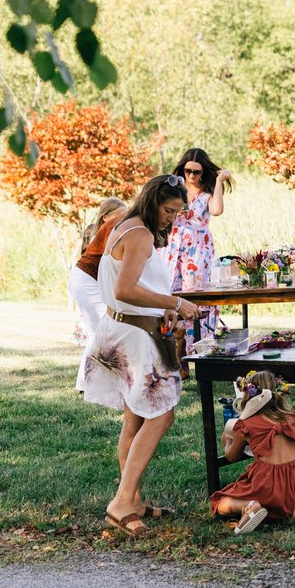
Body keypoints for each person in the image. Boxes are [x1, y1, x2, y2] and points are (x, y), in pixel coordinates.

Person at [78, 174, 201, 537]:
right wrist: (175, 302)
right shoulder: (140, 234)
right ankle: (120, 502)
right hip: (134, 337)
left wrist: (161, 307)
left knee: (134, 419)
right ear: (151, 201)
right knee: (162, 416)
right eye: (168, 210)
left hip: (123, 328)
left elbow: (130, 285)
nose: (171, 218)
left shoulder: (122, 225)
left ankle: (132, 500)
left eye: (178, 213)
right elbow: (125, 288)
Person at [211, 370, 295, 533]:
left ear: (248, 396)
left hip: (268, 482)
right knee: (282, 475)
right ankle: (289, 508)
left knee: (221, 501)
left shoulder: (247, 424)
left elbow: (231, 456)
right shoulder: (291, 417)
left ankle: (249, 505)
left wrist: (227, 440)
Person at [166, 147, 231, 344]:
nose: (191, 176)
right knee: (171, 291)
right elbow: (159, 212)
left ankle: (198, 344)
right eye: (188, 171)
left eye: (196, 172)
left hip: (198, 249)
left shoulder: (207, 192)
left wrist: (219, 181)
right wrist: (173, 215)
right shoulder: (174, 188)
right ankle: (175, 345)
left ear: (203, 172)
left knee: (197, 294)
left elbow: (217, 210)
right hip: (173, 245)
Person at [70, 198, 126, 345]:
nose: (123, 220)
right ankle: (92, 367)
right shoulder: (104, 234)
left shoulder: (110, 232)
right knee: (101, 335)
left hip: (89, 281)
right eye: (118, 217)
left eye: (125, 216)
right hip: (87, 281)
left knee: (101, 336)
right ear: (105, 217)